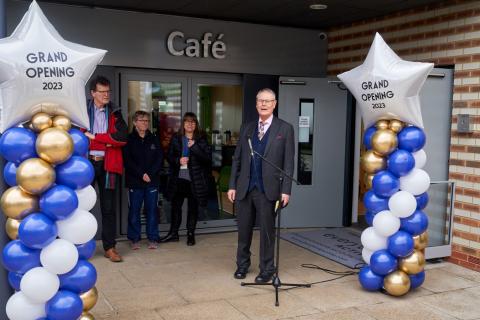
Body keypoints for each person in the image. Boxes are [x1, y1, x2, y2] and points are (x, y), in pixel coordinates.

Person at [227, 88, 294, 283]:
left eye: (268, 101)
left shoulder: (285, 129)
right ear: (256, 104)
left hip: (269, 189)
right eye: (260, 101)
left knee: (266, 232)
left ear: (274, 104)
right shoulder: (247, 128)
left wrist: (286, 190)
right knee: (243, 230)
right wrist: (232, 185)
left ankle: (267, 269)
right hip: (245, 188)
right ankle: (242, 265)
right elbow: (237, 159)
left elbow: (288, 163)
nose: (263, 104)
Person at [85, 76, 128, 262]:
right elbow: (77, 133)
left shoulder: (115, 112)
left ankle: (110, 248)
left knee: (108, 208)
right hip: (85, 164)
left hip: (108, 165)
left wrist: (95, 138)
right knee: (80, 207)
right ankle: (79, 248)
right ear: (93, 93)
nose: (106, 95)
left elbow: (122, 138)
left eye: (107, 91)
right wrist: (108, 141)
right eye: (101, 91)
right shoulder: (82, 111)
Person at [160, 112, 212, 246]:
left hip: (194, 179)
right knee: (175, 207)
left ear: (196, 125)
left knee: (193, 208)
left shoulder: (201, 139)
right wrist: (178, 160)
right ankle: (173, 233)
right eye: (187, 122)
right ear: (183, 124)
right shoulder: (176, 138)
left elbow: (207, 159)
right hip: (179, 178)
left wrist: (194, 147)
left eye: (193, 122)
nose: (190, 124)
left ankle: (190, 234)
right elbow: (169, 157)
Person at [124, 110, 163, 250]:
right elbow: (128, 161)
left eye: (147, 120)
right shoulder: (129, 139)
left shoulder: (153, 138)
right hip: (135, 181)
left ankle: (153, 238)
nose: (145, 123)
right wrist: (141, 174)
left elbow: (159, 158)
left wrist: (150, 174)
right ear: (135, 122)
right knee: (134, 211)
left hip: (152, 181)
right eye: (142, 120)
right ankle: (134, 238)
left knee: (152, 210)